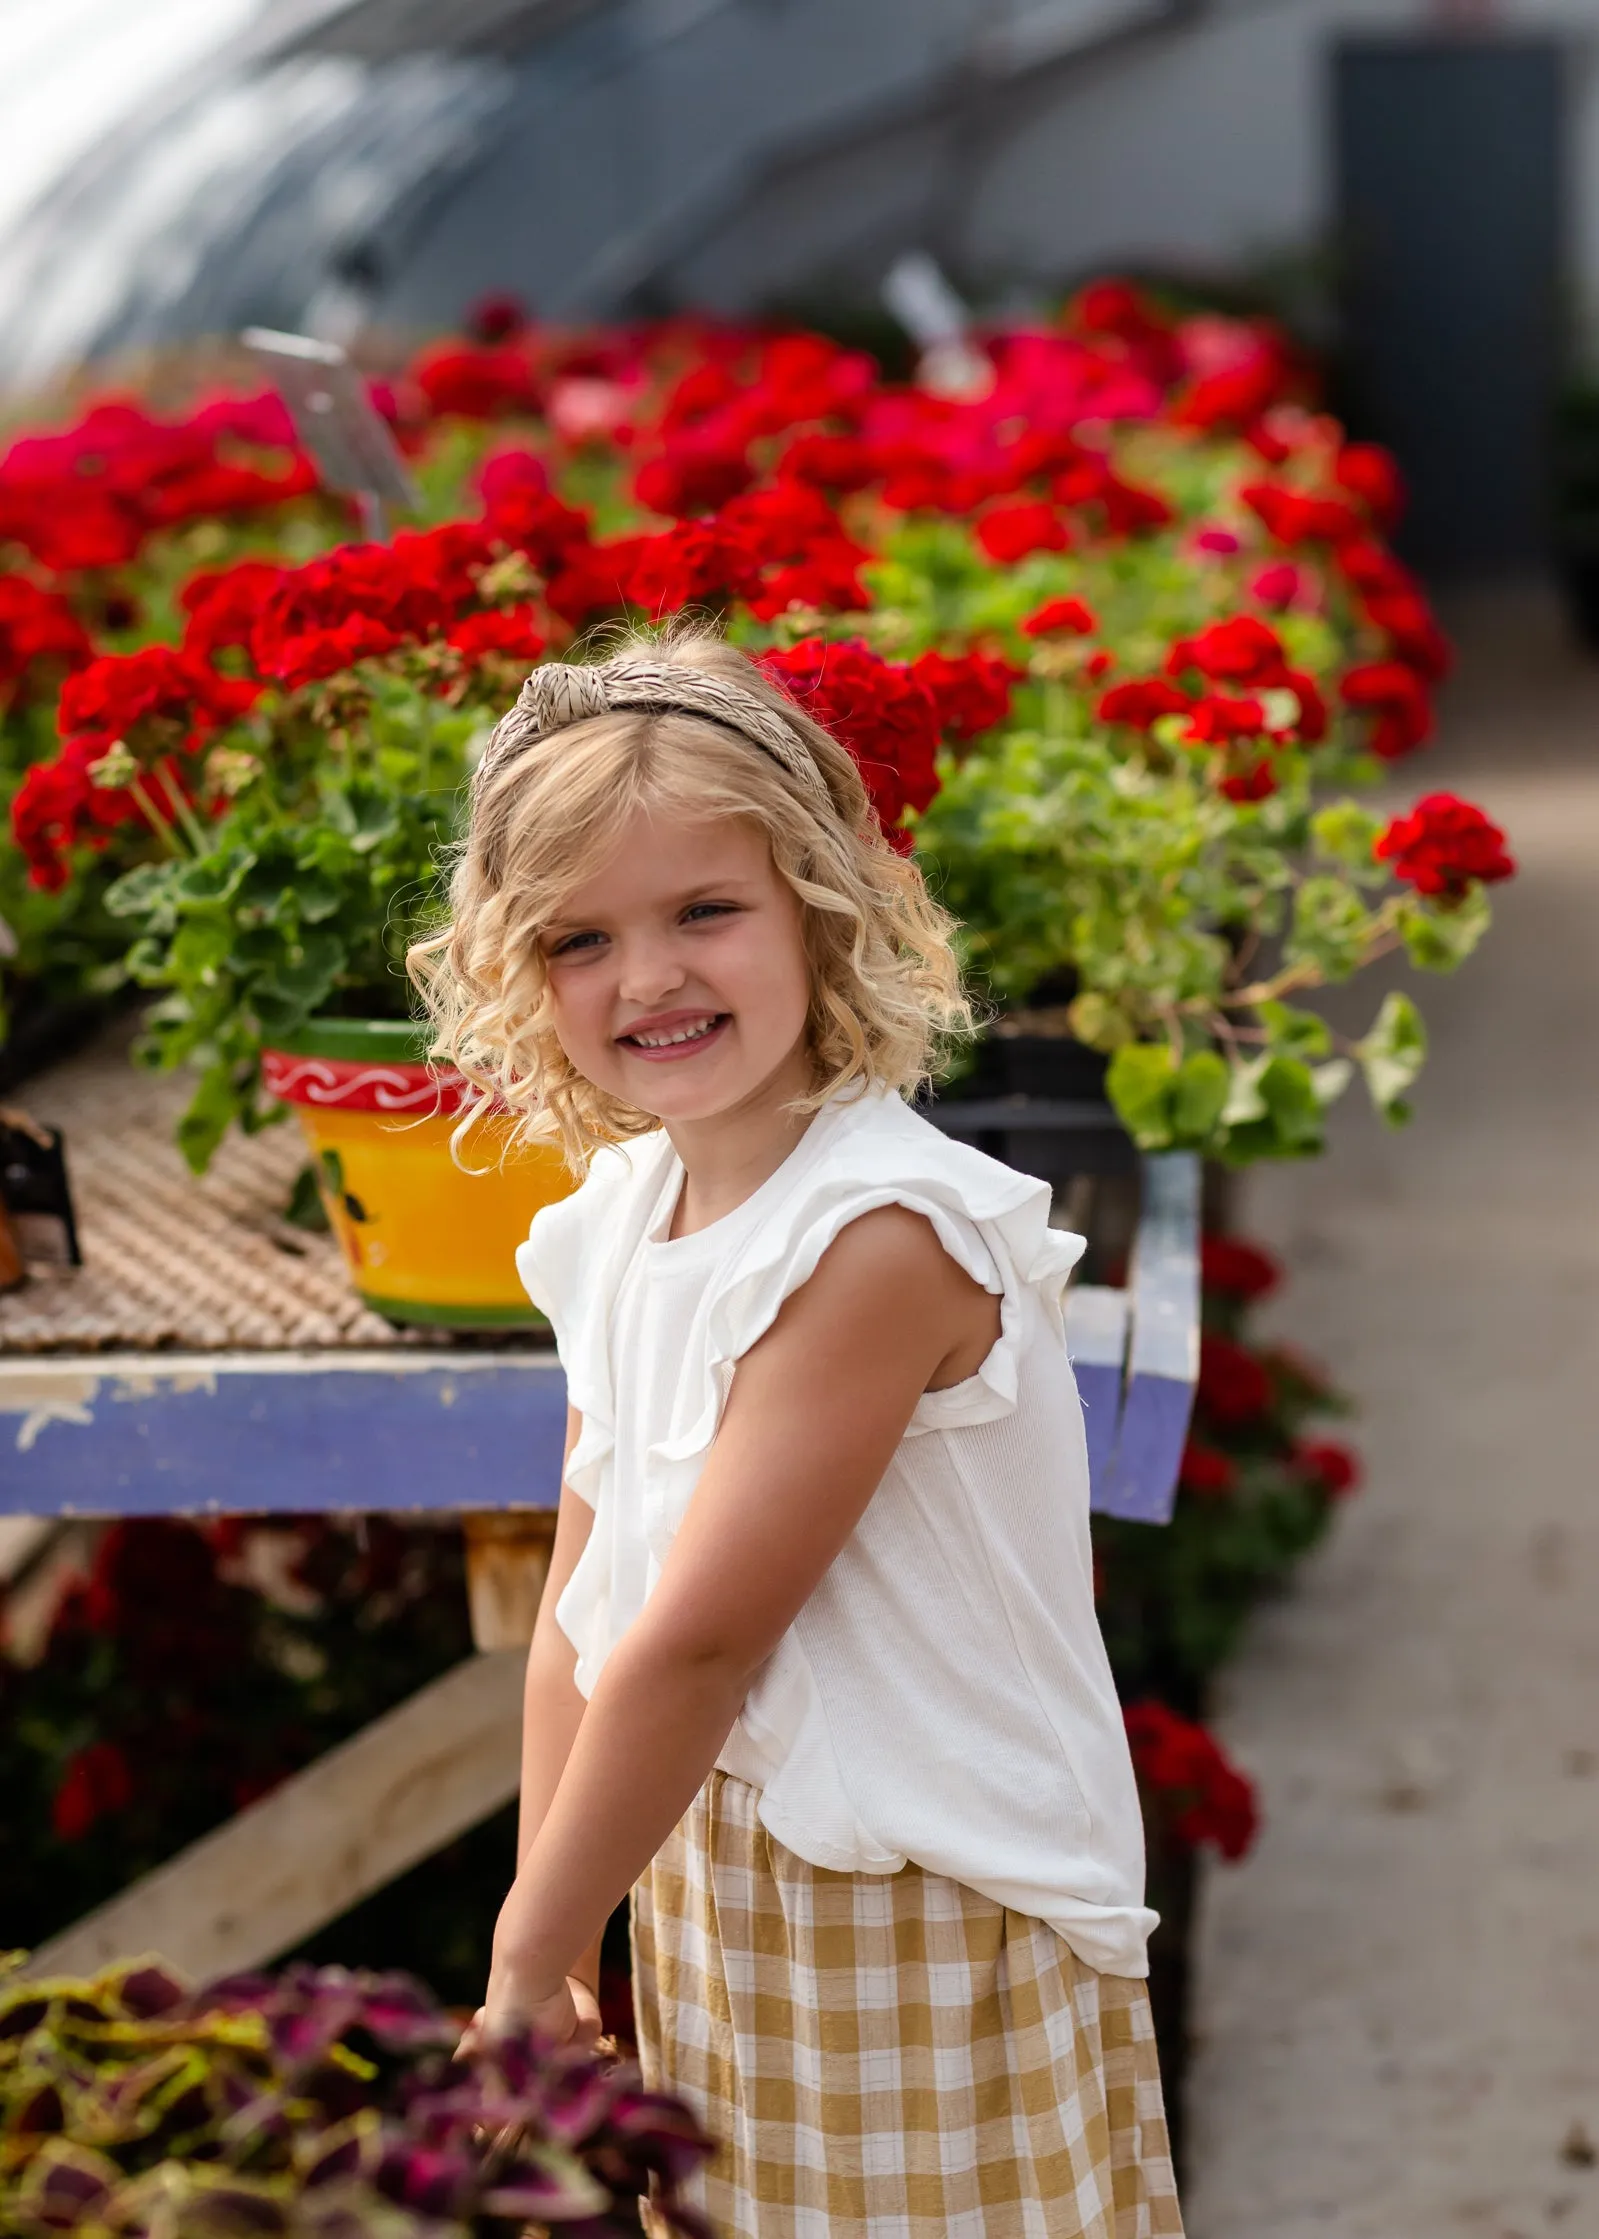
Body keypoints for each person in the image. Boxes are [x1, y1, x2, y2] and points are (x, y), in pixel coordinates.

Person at [409, 627, 1183, 2239]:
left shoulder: (877, 1236)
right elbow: (588, 1611)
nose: (648, 977)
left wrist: (513, 1957)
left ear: (822, 914)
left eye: (706, 909)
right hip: (719, 1875)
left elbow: (695, 1647)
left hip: (924, 1903)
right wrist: (556, 1939)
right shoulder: (621, 1214)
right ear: (516, 975)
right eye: (579, 938)